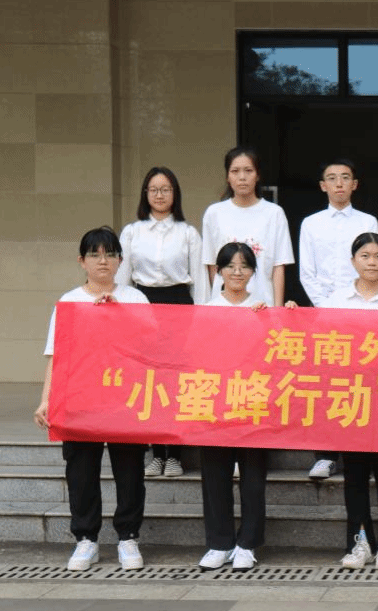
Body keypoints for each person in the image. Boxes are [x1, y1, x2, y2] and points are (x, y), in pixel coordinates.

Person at [34, 226, 149, 572]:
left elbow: (151, 348)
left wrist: (118, 314)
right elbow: (56, 356)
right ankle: (86, 539)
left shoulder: (136, 299)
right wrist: (46, 400)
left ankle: (128, 536)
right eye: (95, 254)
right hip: (80, 400)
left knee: (130, 470)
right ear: (82, 261)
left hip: (125, 399)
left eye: (110, 254)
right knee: (81, 470)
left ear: (120, 261)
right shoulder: (69, 302)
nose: (103, 261)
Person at [197, 242, 297, 572]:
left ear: (254, 271)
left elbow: (281, 354)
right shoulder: (207, 310)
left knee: (253, 478)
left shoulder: (264, 309)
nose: (237, 272)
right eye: (230, 266)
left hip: (253, 401)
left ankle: (248, 543)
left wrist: (286, 316)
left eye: (244, 266)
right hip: (214, 402)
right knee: (215, 476)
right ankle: (219, 543)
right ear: (219, 271)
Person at [319, 232, 378, 571]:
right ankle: (359, 543)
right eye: (365, 256)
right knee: (355, 476)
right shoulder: (336, 299)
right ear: (353, 261)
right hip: (350, 399)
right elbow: (318, 341)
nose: (372, 262)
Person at [117, 165, 205, 479]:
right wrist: (122, 315)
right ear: (145, 194)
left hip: (179, 304)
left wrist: (202, 320)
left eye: (165, 189)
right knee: (149, 381)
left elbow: (200, 282)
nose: (159, 195)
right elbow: (123, 279)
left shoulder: (188, 233)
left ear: (175, 194)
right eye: (153, 189)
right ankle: (156, 454)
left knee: (175, 380)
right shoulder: (132, 232)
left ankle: (175, 455)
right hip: (143, 304)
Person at [298, 157, 378, 481]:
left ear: (355, 184)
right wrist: (330, 307)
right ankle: (325, 455)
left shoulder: (368, 220)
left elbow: (373, 265)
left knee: (363, 383)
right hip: (325, 315)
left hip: (364, 311)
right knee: (326, 384)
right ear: (323, 185)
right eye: (332, 178)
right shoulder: (311, 223)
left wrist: (355, 304)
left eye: (345, 177)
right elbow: (307, 272)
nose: (339, 183)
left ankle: (364, 451)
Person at [201, 146, 293, 307]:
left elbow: (278, 267)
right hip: (223, 307)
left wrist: (277, 311)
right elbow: (211, 265)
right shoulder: (214, 213)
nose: (242, 177)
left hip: (263, 305)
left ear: (258, 175)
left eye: (248, 171)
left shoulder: (274, 213)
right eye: (235, 171)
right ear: (227, 176)